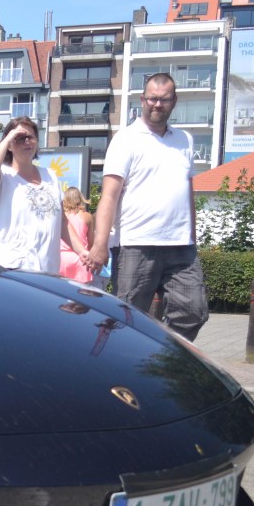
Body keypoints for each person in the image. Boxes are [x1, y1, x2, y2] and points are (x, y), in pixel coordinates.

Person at [89, 72, 207, 340]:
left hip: (180, 246)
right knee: (125, 318)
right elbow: (109, 195)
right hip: (136, 243)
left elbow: (187, 192)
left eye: (164, 99)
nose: (157, 104)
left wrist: (193, 235)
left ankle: (161, 358)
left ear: (174, 102)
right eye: (152, 98)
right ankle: (115, 369)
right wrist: (100, 244)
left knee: (194, 311)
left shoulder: (185, 140)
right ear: (142, 99)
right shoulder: (126, 139)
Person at [0, 116, 80, 274]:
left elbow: (62, 222)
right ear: (9, 144)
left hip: (47, 271)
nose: (27, 141)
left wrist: (84, 252)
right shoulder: (3, 175)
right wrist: (7, 139)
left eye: (30, 137)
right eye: (19, 138)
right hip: (7, 270)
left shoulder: (50, 176)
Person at [58, 187, 97, 285]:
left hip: (62, 257)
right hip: (81, 258)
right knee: (81, 294)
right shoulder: (87, 216)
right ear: (80, 198)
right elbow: (91, 242)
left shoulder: (61, 216)